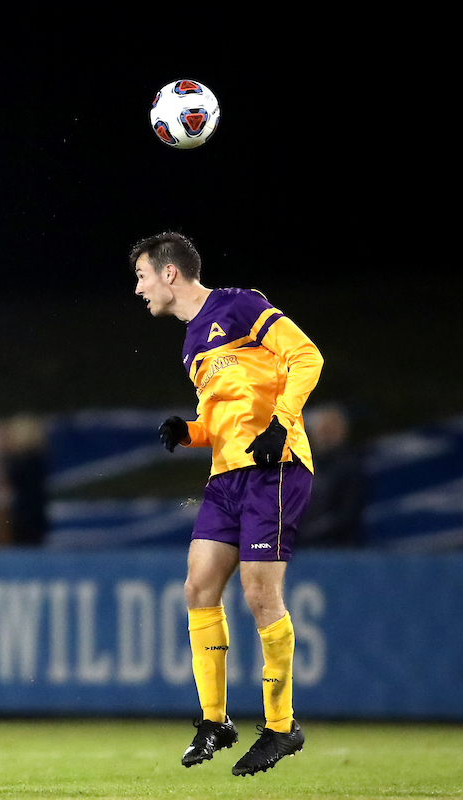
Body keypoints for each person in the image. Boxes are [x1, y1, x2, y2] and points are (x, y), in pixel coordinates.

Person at [131, 231, 323, 777]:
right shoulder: (192, 341)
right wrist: (191, 431)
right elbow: (225, 421)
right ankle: (215, 720)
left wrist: (281, 424)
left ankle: (283, 727)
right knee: (198, 587)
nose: (139, 289)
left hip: (275, 470)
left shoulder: (241, 305)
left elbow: (307, 356)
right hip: (226, 478)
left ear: (170, 274)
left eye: (142, 276)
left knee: (261, 596)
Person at [298, 404, 366, 547]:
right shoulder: (305, 466)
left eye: (330, 430)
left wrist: (303, 535)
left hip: (334, 550)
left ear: (342, 431)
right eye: (321, 430)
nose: (325, 436)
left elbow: (346, 515)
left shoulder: (350, 468)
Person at [0, 414, 50, 547]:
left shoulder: (24, 462)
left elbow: (4, 491)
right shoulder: (28, 462)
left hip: (22, 520)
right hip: (25, 519)